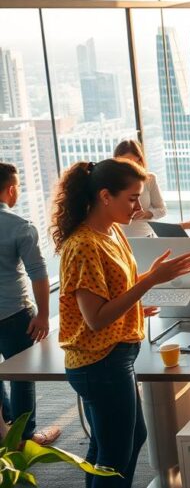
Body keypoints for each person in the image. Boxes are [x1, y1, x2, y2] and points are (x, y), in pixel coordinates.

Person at [54, 159, 190, 488]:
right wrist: (150, 282)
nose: (139, 207)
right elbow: (96, 318)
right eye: (132, 198)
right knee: (116, 455)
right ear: (105, 196)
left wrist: (149, 284)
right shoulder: (83, 246)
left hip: (114, 356)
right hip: (99, 362)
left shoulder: (111, 231)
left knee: (116, 445)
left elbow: (114, 293)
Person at [0, 163, 60, 445]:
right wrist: (45, 315)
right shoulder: (19, 226)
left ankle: (4, 428)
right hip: (15, 312)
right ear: (11, 189)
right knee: (22, 375)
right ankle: (24, 435)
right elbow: (38, 272)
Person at [112, 139, 166, 238]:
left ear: (139, 160)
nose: (131, 167)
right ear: (116, 161)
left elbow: (162, 209)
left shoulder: (149, 179)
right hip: (117, 237)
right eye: (126, 163)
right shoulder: (108, 181)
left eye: (134, 162)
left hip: (145, 235)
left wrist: (146, 214)